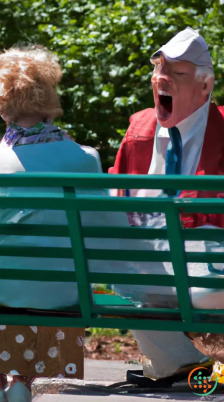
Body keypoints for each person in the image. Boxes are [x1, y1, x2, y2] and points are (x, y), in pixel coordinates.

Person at [0, 44, 115, 402]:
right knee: (58, 278)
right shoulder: (83, 159)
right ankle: (22, 384)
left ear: (1, 105)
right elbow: (101, 234)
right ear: (49, 97)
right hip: (59, 294)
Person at [109, 27, 224, 381]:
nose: (163, 78)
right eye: (159, 70)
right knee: (121, 272)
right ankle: (179, 363)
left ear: (205, 86)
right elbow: (117, 201)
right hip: (153, 270)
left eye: (178, 73)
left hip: (208, 274)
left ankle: (175, 362)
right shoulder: (139, 130)